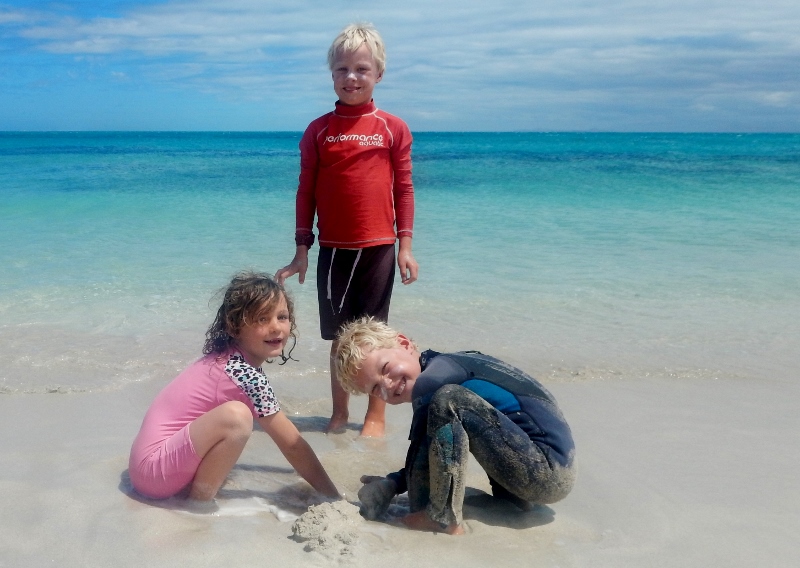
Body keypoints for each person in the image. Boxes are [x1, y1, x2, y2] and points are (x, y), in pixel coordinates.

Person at [276, 23, 418, 439]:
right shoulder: (318, 130)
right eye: (342, 69)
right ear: (331, 74)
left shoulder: (393, 127)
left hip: (378, 248)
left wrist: (405, 246)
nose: (351, 78)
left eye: (361, 69)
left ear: (378, 74)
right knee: (341, 339)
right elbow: (307, 192)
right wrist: (303, 249)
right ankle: (339, 413)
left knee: (377, 338)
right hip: (334, 250)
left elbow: (404, 188)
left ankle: (376, 416)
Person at [334, 317, 576, 535]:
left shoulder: (432, 382)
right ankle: (513, 502)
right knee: (450, 404)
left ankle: (441, 518)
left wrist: (393, 486)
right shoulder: (449, 365)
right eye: (375, 389)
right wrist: (394, 483)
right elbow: (429, 450)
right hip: (543, 467)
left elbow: (420, 463)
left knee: (448, 399)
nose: (386, 385)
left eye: (385, 369)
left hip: (545, 470)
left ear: (404, 344)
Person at [128, 271, 340, 501]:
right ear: (234, 326)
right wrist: (332, 496)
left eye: (282, 317)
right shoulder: (246, 375)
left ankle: (192, 492)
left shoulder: (225, 359)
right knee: (238, 418)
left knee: (237, 416)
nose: (276, 327)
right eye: (262, 319)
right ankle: (199, 503)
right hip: (155, 476)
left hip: (146, 468)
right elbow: (293, 445)